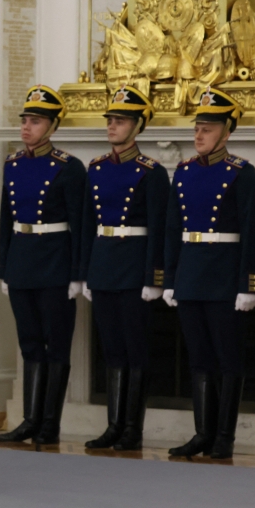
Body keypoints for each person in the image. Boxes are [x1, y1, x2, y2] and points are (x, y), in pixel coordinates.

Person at [163, 87, 255, 460]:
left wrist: (248, 285)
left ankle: (224, 436)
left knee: (228, 359)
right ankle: (202, 433)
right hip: (191, 276)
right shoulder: (184, 172)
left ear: (227, 132)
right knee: (200, 359)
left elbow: (253, 232)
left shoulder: (241, 173)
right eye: (197, 128)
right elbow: (174, 230)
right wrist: (170, 279)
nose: (199, 135)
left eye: (208, 128)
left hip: (224, 279)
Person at [0, 85, 86, 445]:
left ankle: (50, 423)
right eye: (24, 121)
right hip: (22, 262)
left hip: (55, 264)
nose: (26, 127)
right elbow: (6, 220)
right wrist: (4, 269)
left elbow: (80, 226)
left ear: (51, 126)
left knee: (56, 345)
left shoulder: (69, 168)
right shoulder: (13, 164)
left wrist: (78, 274)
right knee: (29, 343)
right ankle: (30, 419)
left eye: (34, 121)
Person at [80, 86, 169, 451]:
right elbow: (88, 225)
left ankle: (133, 428)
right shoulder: (96, 168)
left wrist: (155, 277)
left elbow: (160, 229)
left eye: (120, 121)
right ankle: (114, 425)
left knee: (136, 350)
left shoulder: (152, 172)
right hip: (104, 266)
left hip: (134, 268)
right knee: (112, 351)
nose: (112, 127)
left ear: (138, 126)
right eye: (111, 120)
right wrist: (85, 272)